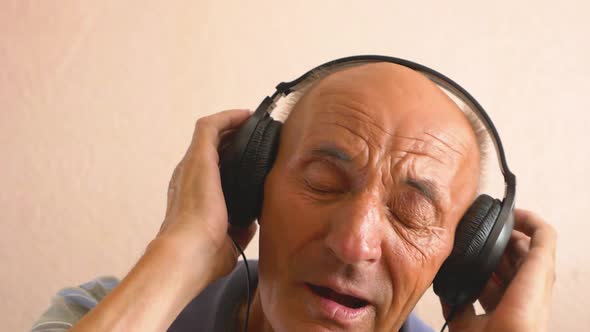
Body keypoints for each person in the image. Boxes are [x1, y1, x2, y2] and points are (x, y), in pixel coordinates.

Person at [32, 62, 557, 332]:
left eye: (413, 212)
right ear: (251, 184)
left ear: (460, 257)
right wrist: (182, 252)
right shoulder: (105, 312)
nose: (355, 243)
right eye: (324, 182)